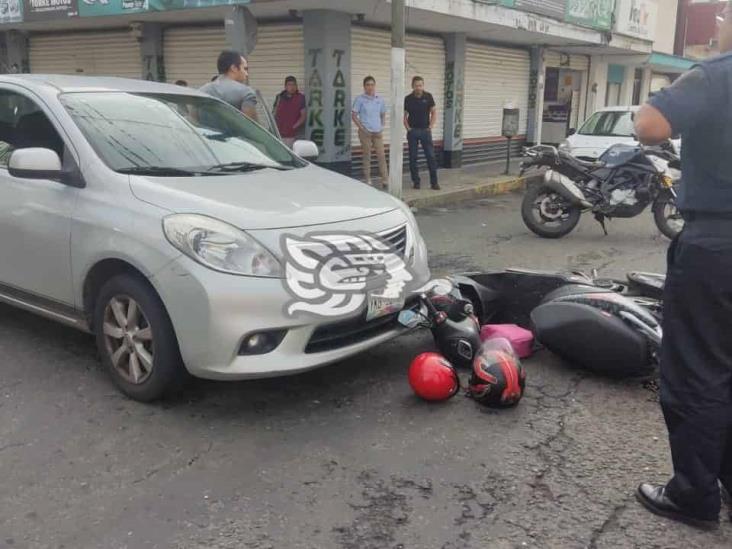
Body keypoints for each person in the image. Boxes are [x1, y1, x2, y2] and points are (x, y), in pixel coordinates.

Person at [633, 0, 732, 531]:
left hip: (718, 243)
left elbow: (650, 124)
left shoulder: (717, 75)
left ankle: (694, 494)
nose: (717, 24)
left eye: (723, 15)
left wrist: (643, 108)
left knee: (696, 371)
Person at [199, 50, 258, 122]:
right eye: (245, 68)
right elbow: (252, 126)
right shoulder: (246, 92)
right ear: (234, 68)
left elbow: (194, 121)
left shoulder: (201, 91)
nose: (246, 74)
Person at [352, 76, 388, 188]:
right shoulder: (360, 99)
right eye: (367, 85)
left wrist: (382, 126)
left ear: (375, 86)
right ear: (364, 86)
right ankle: (367, 179)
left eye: (372, 84)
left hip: (378, 132)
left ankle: (385, 180)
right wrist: (362, 128)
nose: (370, 87)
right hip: (365, 132)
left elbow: (383, 114)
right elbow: (354, 115)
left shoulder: (380, 99)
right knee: (367, 155)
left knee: (381, 155)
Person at [404, 76, 439, 190]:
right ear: (412, 86)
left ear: (423, 86)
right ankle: (416, 182)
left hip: (425, 131)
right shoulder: (408, 99)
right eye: (416, 85)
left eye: (420, 85)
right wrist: (408, 128)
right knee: (413, 157)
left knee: (431, 157)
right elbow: (404, 116)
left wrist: (430, 126)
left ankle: (434, 183)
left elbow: (434, 112)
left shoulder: (428, 97)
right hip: (413, 132)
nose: (418, 88)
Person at [273, 76, 306, 148]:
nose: (292, 87)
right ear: (285, 86)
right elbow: (274, 114)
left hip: (293, 135)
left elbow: (303, 116)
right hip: (279, 134)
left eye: (294, 85)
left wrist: (293, 127)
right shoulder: (279, 97)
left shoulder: (301, 98)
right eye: (289, 85)